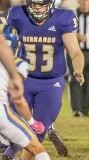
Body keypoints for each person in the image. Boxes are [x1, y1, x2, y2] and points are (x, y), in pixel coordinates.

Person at [7, 0, 85, 159]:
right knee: (12, 124)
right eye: (34, 4)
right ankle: (10, 151)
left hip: (51, 83)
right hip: (23, 79)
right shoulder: (17, 15)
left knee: (38, 131)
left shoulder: (63, 18)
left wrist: (78, 69)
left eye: (41, 4)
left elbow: (75, 51)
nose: (37, 8)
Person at [0, 24, 51, 160]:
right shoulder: (18, 64)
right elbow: (18, 99)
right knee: (37, 148)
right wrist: (32, 122)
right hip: (2, 114)